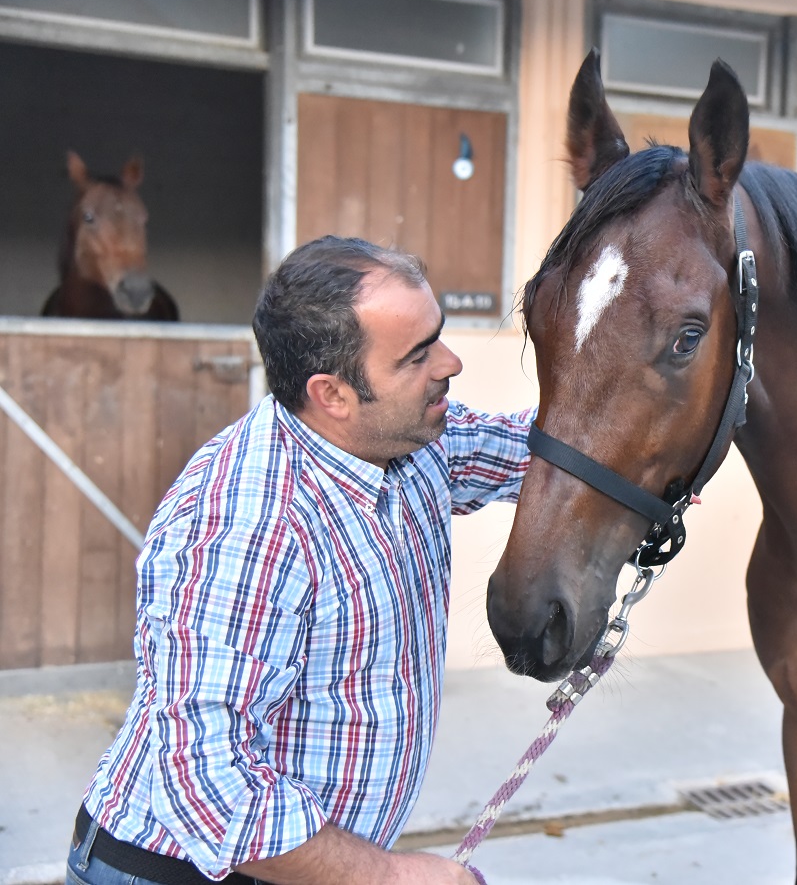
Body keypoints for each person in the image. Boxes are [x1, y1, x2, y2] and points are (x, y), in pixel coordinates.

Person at [67, 236, 533, 885]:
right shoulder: (249, 522)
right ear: (332, 394)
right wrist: (393, 877)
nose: (450, 363)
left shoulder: (413, 439)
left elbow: (537, 448)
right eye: (418, 354)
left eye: (438, 336)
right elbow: (207, 785)